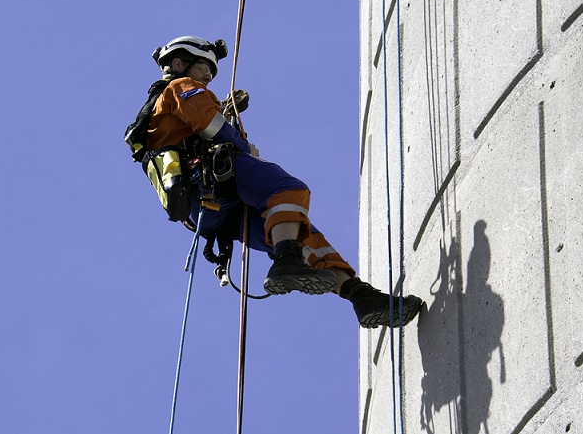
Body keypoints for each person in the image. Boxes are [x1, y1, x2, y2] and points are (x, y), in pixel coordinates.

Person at [127, 35, 423, 328]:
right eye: (204, 66)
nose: (208, 75)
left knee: (297, 232)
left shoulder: (157, 122)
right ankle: (285, 261)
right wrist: (244, 148)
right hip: (212, 178)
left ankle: (359, 295)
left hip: (206, 211)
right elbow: (211, 126)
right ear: (178, 63)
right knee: (288, 190)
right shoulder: (180, 87)